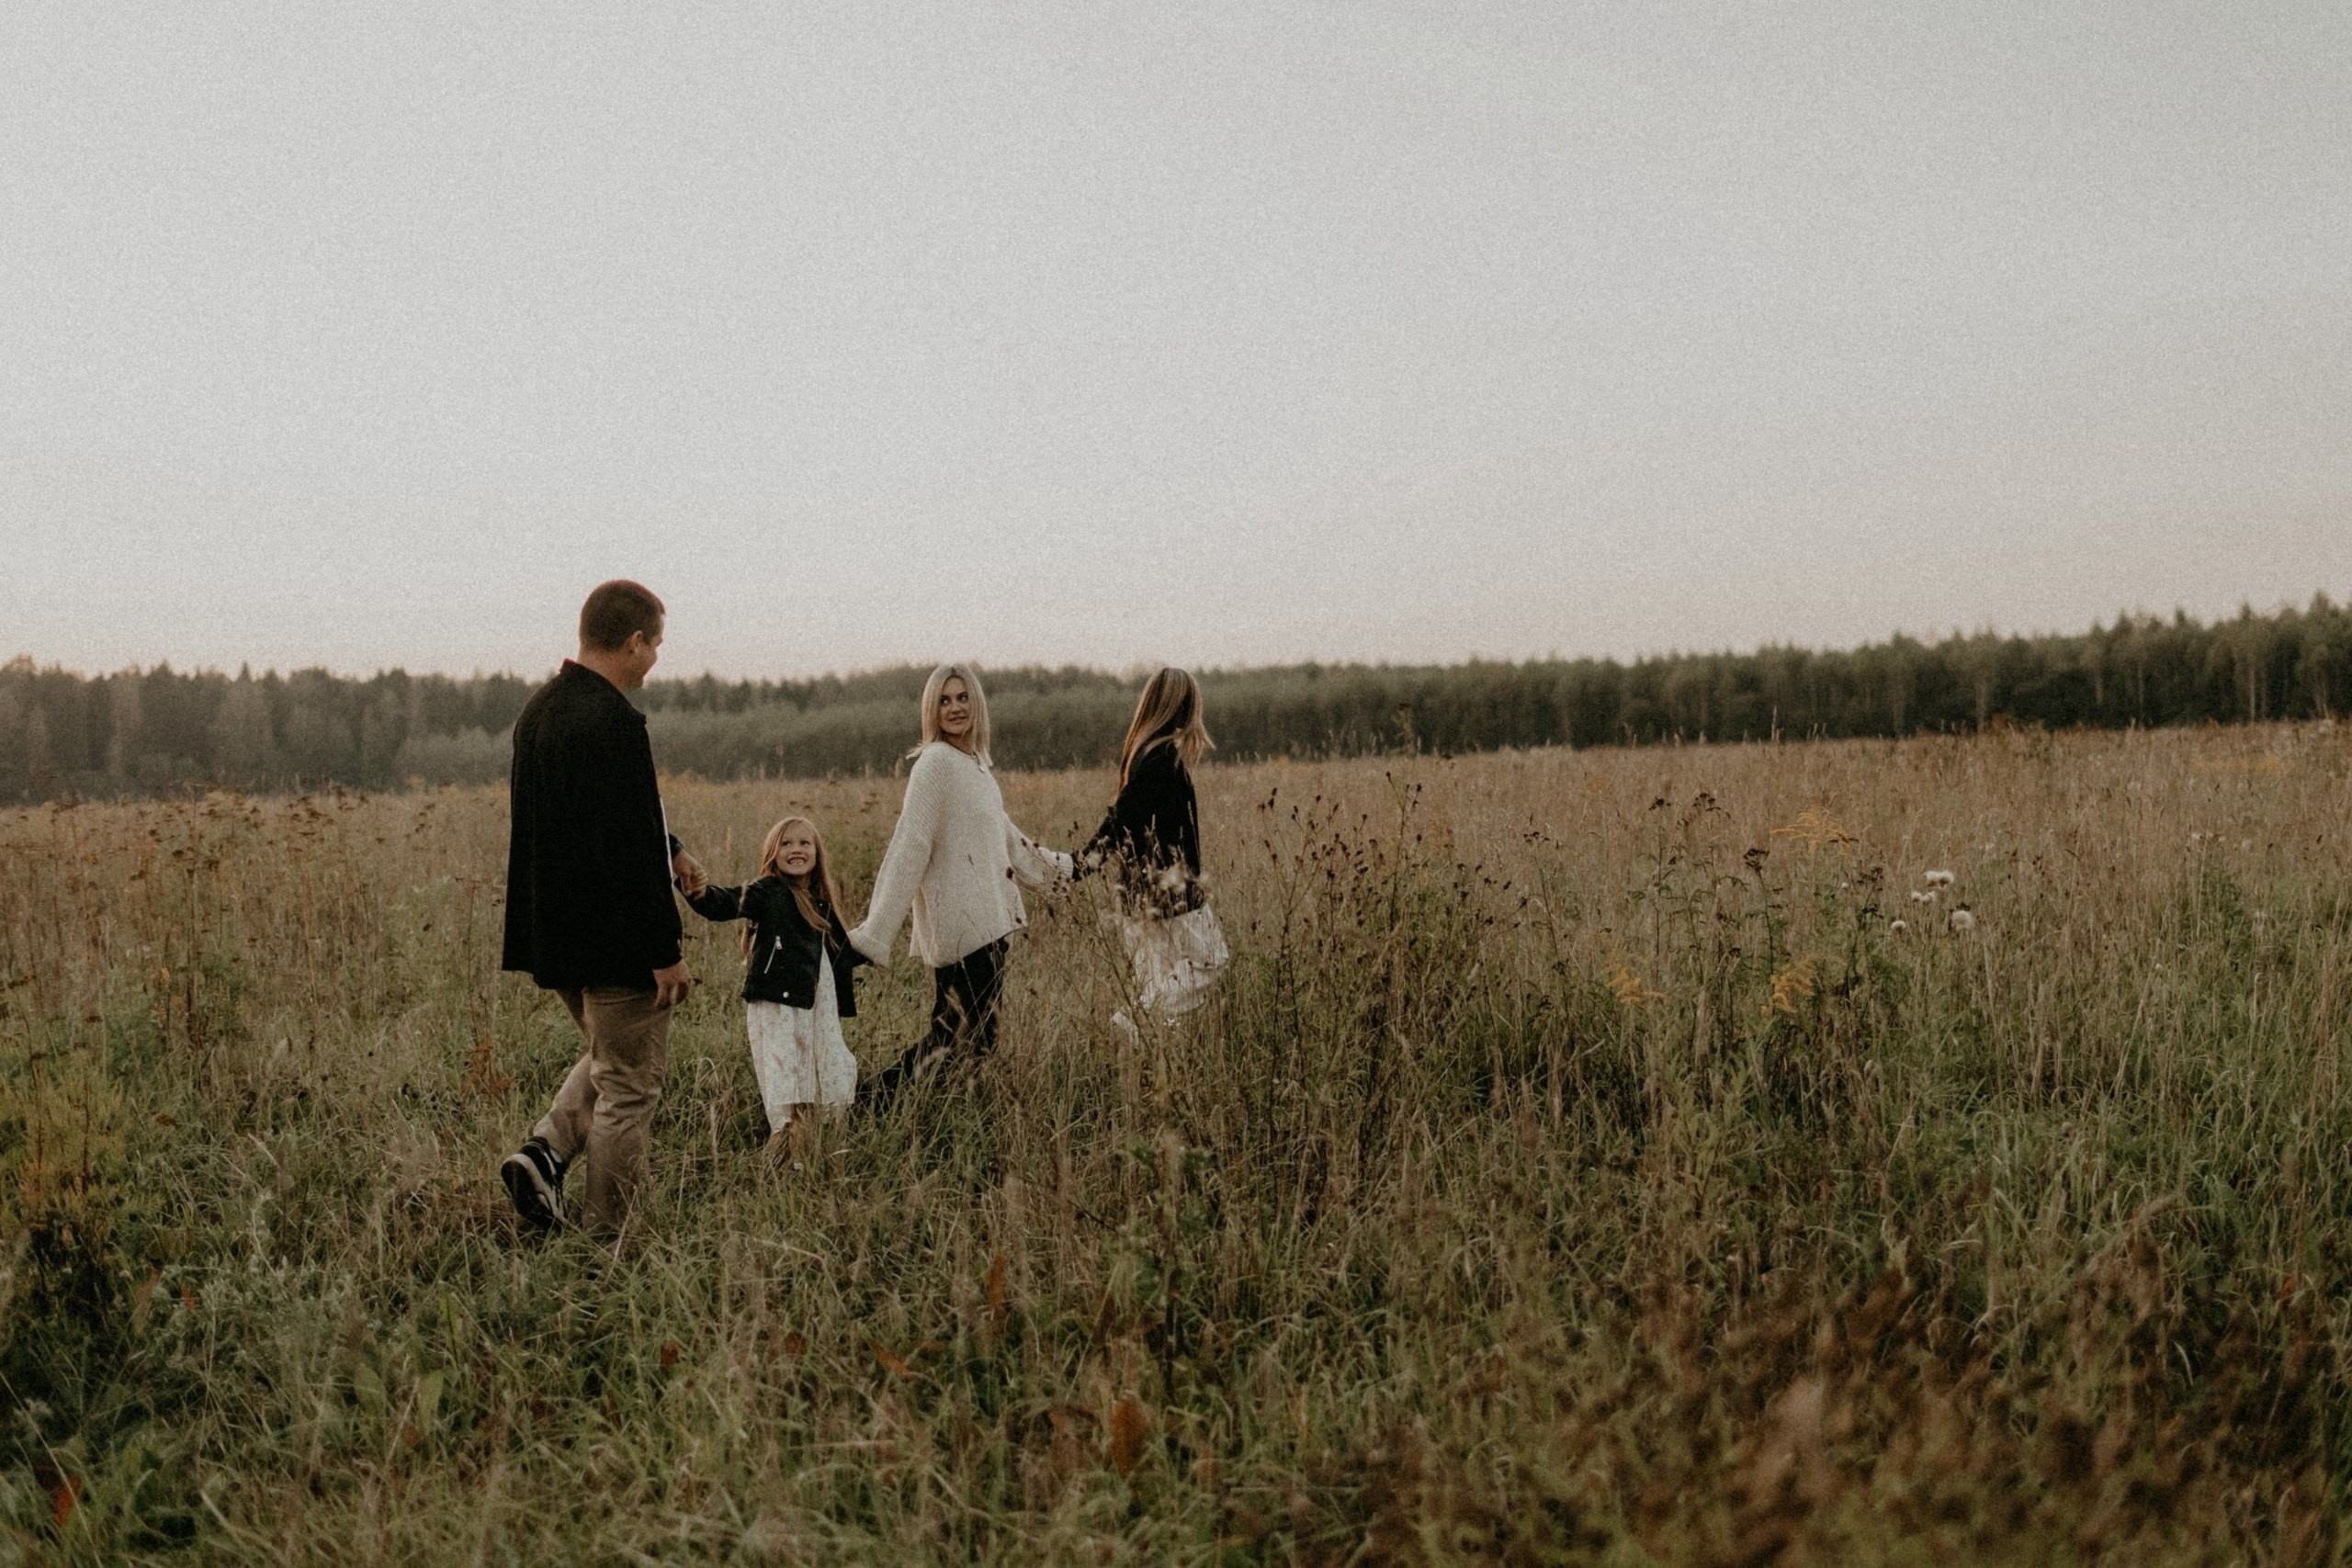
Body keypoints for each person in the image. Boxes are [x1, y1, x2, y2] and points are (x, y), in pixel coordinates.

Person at [498, 580, 701, 1236]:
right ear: (634, 640)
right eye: (656, 645)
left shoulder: (539, 713)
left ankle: (545, 1152)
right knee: (630, 1087)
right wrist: (663, 950)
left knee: (612, 1059)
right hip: (616, 941)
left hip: (555, 937)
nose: (656, 660)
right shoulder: (615, 721)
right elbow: (620, 848)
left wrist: (668, 847)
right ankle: (609, 1236)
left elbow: (589, 819)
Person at [848, 663, 1070, 1106]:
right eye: (944, 700)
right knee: (955, 1044)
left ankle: (904, 1110)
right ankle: (862, 1105)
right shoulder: (935, 765)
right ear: (932, 709)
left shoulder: (976, 769)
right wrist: (875, 934)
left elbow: (1011, 842)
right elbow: (909, 845)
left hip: (990, 929)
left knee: (970, 1043)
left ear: (977, 703)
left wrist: (1066, 872)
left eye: (962, 698)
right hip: (962, 931)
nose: (954, 708)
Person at [683, 815, 865, 1153]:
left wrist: (876, 940)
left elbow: (843, 952)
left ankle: (808, 1158)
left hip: (816, 1009)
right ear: (773, 853)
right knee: (793, 1090)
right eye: (786, 843)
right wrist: (695, 889)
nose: (796, 850)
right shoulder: (767, 891)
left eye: (804, 843)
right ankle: (787, 1161)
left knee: (822, 1080)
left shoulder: (820, 900)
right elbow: (725, 902)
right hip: (779, 1005)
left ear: (817, 853)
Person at [1075, 667, 1227, 1031]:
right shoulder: (1162, 760)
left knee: (1162, 1000)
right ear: (1185, 706)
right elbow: (1122, 821)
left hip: (1141, 896)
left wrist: (1084, 863)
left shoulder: (1145, 754)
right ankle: (1129, 1023)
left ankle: (1147, 1070)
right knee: (1212, 961)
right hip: (1169, 895)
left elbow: (1121, 821)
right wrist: (1082, 864)